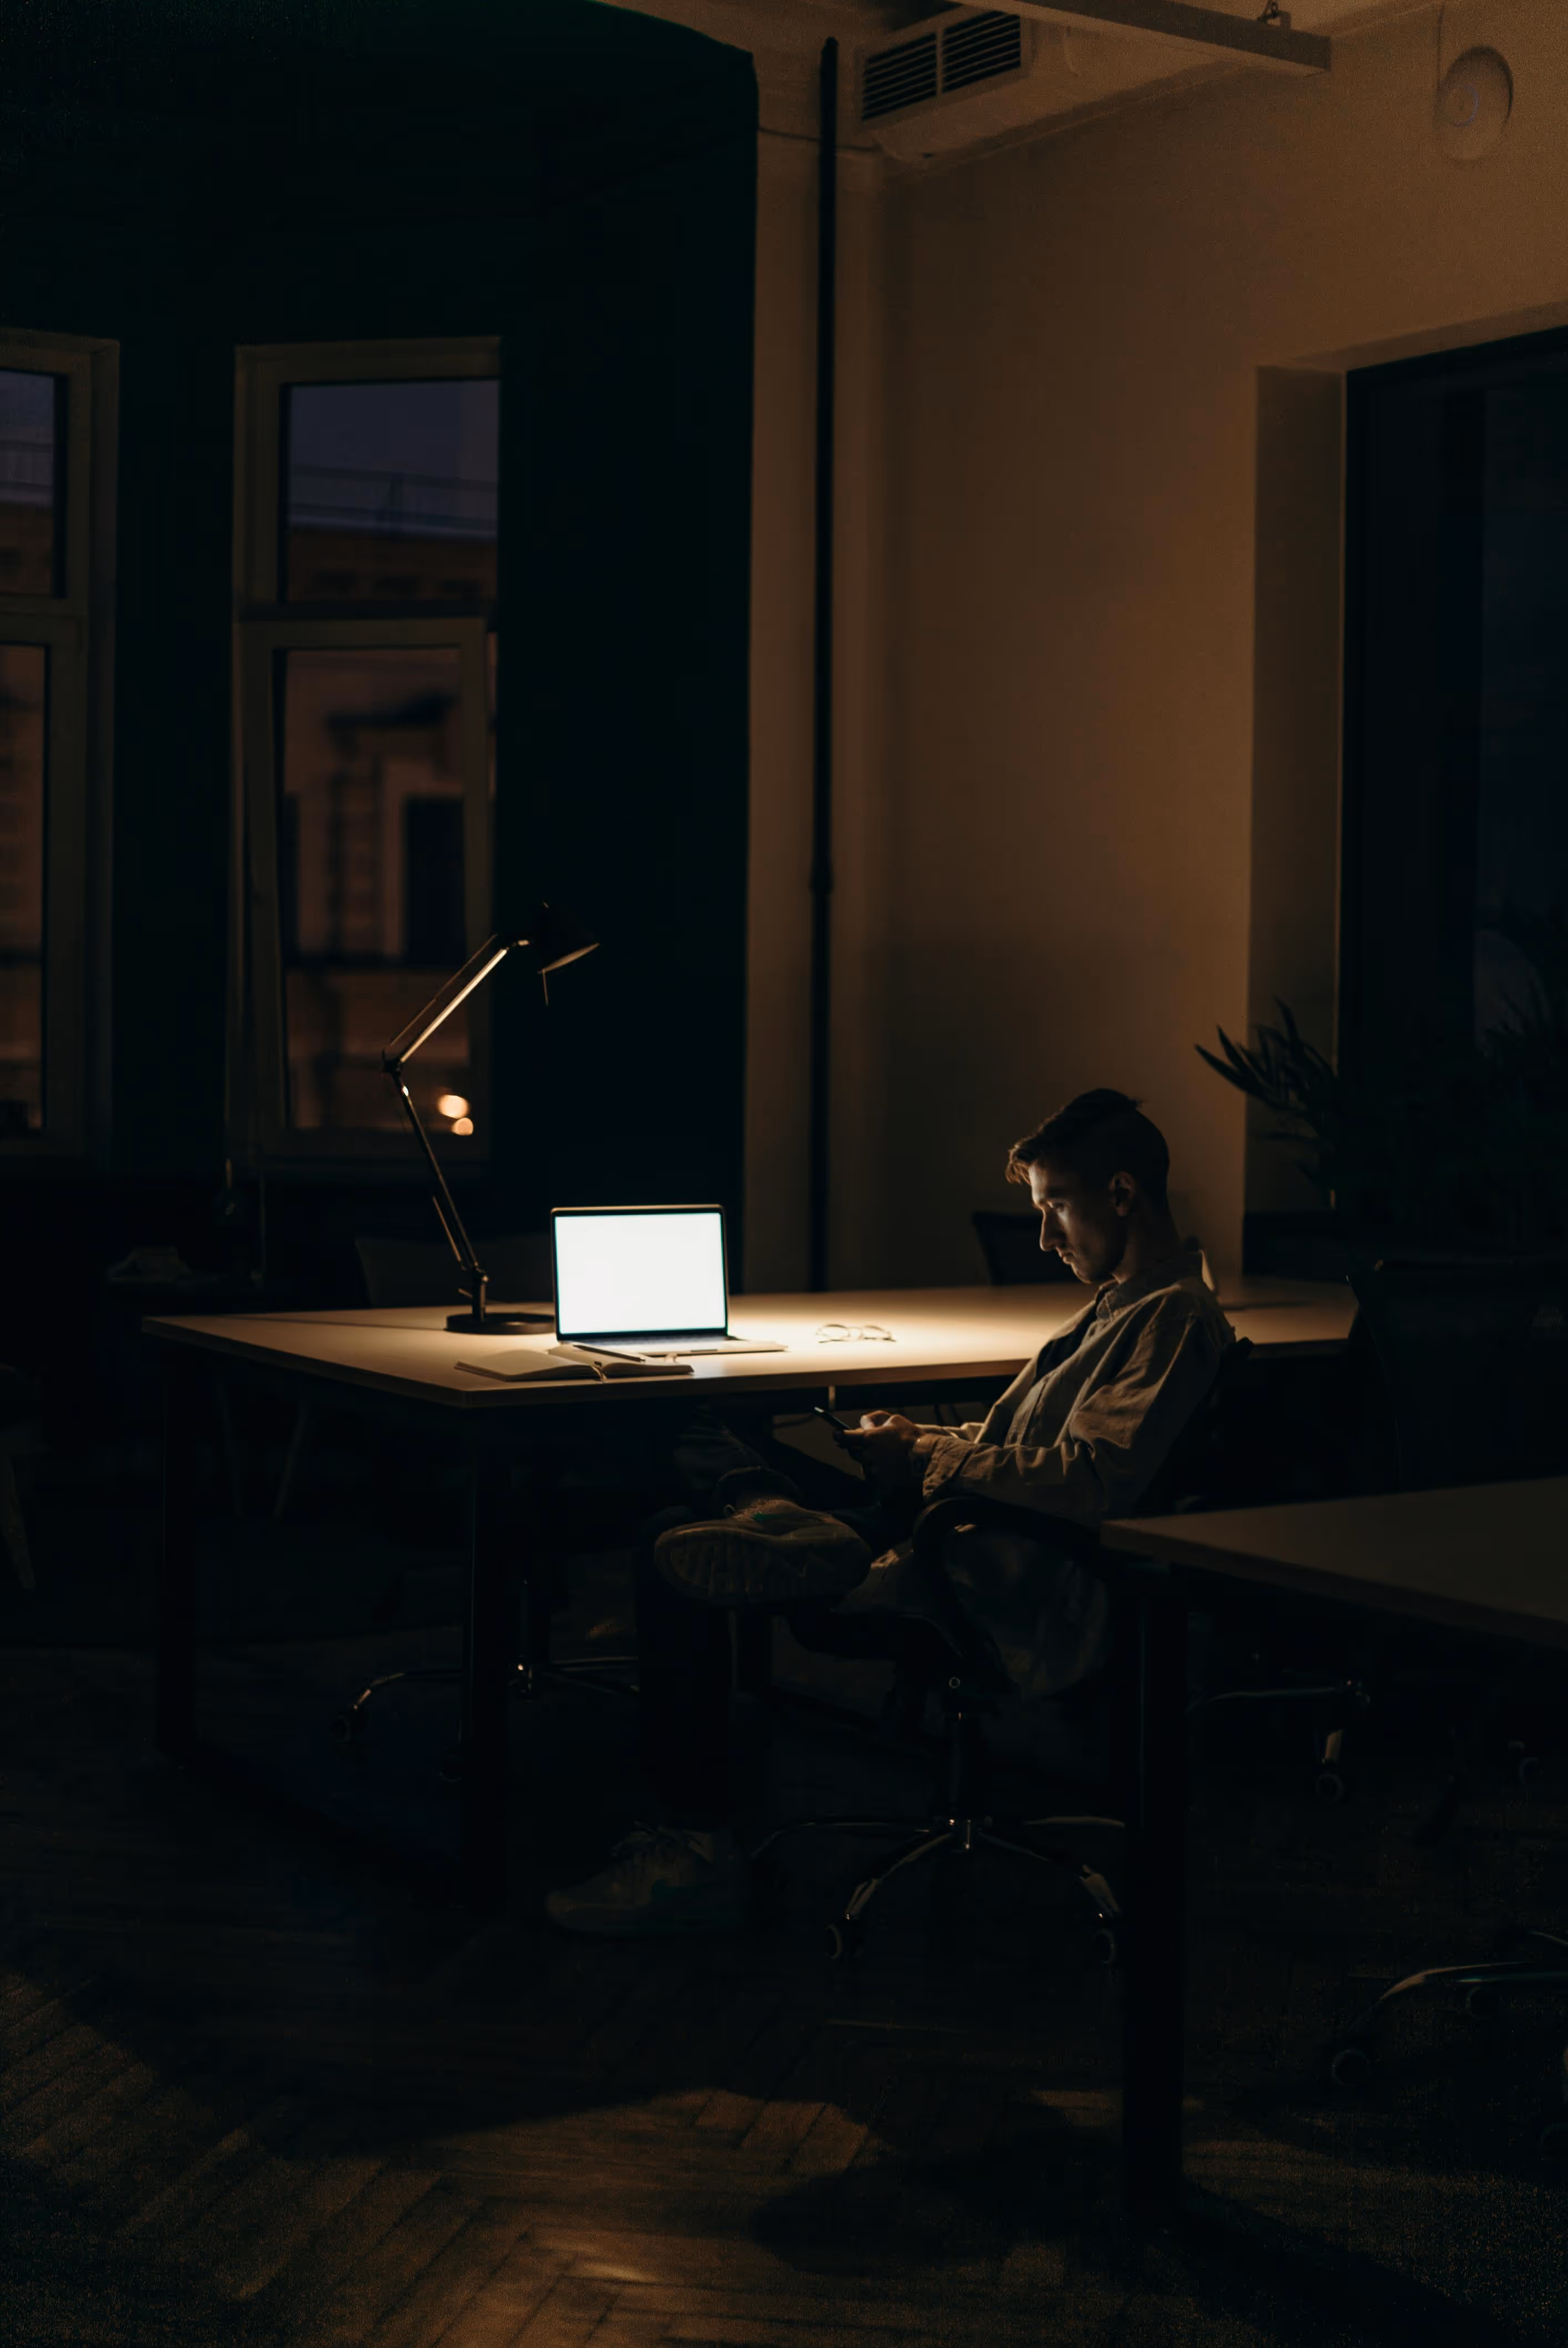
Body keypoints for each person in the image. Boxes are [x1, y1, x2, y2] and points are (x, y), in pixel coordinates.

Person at [543, 1088, 1234, 1938]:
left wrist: (932, 1458)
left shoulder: (1173, 1319)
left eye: (1056, 1206)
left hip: (983, 1563)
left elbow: (1090, 1478)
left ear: (1122, 1194)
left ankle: (690, 1846)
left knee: (664, 1544)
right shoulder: (1122, 1305)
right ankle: (764, 1507)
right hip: (958, 1520)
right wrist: (924, 1439)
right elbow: (1043, 1445)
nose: (1047, 1236)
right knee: (669, 1409)